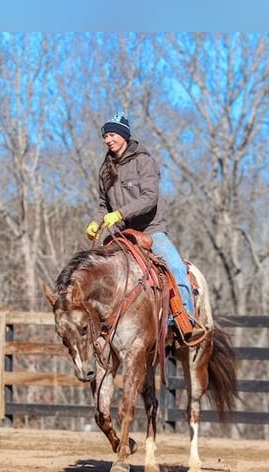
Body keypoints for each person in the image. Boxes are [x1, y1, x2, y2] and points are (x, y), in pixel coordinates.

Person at [85, 112, 205, 343]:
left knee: (176, 268)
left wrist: (120, 214)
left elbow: (149, 198)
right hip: (120, 235)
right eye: (105, 136)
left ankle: (186, 320)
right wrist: (95, 221)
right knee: (94, 270)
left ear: (124, 136)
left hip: (150, 230)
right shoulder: (105, 169)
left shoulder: (144, 162)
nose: (108, 140)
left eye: (112, 134)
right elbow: (103, 204)